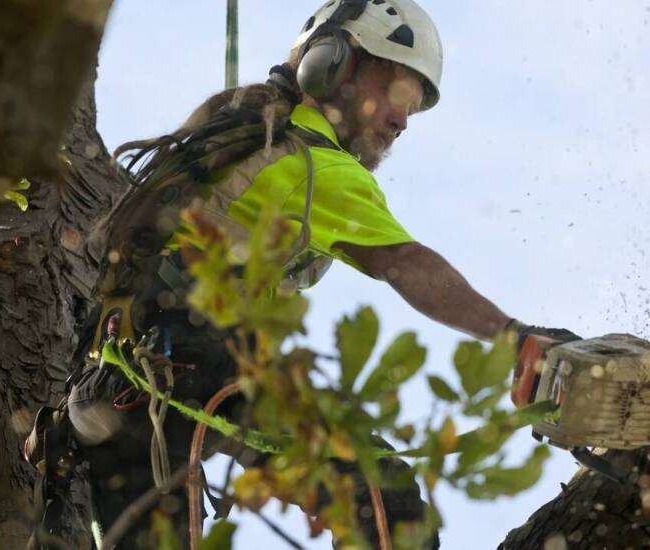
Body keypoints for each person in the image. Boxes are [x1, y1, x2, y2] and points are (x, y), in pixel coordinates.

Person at [62, 0, 578, 548]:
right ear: (333, 65)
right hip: (195, 365)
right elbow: (403, 262)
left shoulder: (246, 141)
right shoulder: (310, 161)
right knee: (383, 499)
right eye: (399, 92)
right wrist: (515, 338)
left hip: (110, 395)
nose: (403, 121)